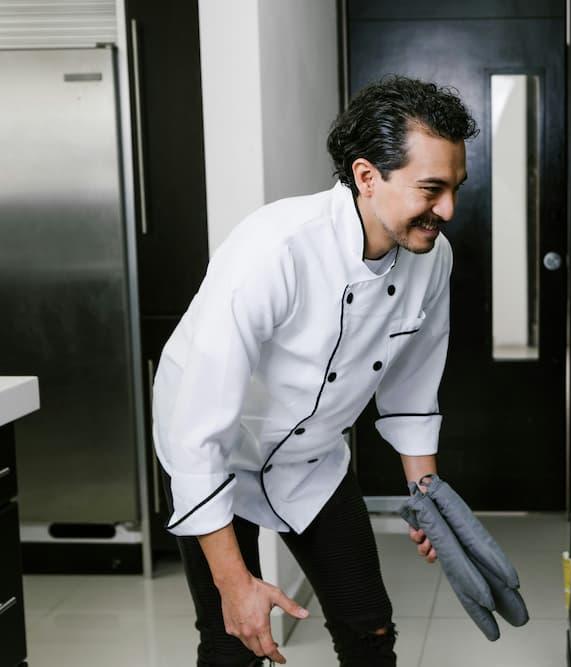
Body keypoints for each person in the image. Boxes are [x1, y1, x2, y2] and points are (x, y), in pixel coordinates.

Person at [152, 75, 477, 666]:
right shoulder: (276, 249)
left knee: (370, 630)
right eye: (431, 189)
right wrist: (236, 585)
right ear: (366, 176)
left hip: (314, 460)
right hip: (215, 454)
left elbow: (411, 388)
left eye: (454, 188)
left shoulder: (434, 259)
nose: (448, 210)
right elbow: (195, 430)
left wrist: (428, 497)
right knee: (234, 642)